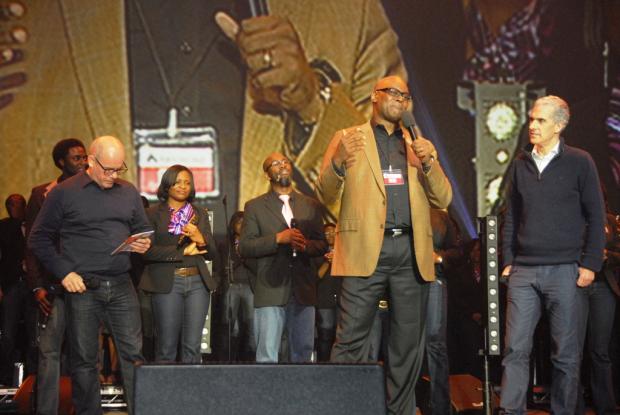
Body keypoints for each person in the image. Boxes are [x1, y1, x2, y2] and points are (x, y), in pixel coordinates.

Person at [315, 75, 453, 415]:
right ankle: (344, 408)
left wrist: (429, 162)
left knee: (407, 345)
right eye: (393, 92)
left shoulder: (417, 145)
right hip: (365, 248)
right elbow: (324, 194)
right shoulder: (348, 137)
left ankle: (399, 411)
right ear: (374, 96)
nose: (400, 99)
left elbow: (443, 198)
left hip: (410, 251)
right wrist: (338, 162)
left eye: (405, 95)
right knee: (350, 339)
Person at [29, 136, 152, 415]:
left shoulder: (128, 191)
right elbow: (38, 238)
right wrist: (64, 272)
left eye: (118, 169)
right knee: (85, 360)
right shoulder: (64, 192)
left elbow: (142, 228)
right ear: (91, 161)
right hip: (82, 286)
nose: (113, 175)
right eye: (107, 169)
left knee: (133, 356)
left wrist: (144, 242)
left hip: (121, 283)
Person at [500, 96, 606, 414]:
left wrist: (590, 264)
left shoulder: (580, 161)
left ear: (559, 125)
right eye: (532, 119)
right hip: (524, 271)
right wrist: (508, 261)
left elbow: (596, 215)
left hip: (565, 270)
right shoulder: (520, 164)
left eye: (541, 120)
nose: (532, 125)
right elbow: (511, 217)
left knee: (566, 355)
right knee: (514, 349)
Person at [240, 152, 327, 363]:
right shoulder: (255, 206)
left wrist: (305, 245)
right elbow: (245, 247)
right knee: (267, 354)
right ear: (267, 174)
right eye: (275, 164)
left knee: (303, 353)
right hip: (270, 288)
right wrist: (278, 239)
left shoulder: (311, 205)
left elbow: (322, 244)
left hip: (303, 288)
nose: (282, 165)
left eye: (285, 162)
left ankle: (301, 386)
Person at [23, 137, 87, 415]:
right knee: (49, 351)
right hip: (54, 284)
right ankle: (47, 411)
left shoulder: (94, 188)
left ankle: (84, 408)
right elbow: (33, 243)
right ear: (61, 162)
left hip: (87, 283)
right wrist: (36, 286)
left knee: (86, 353)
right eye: (76, 158)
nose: (83, 162)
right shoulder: (43, 193)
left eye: (85, 157)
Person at [139, 164, 218, 363]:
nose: (183, 186)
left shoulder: (199, 213)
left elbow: (212, 254)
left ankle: (191, 385)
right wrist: (181, 252)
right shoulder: (152, 214)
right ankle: (165, 385)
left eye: (187, 183)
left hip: (198, 283)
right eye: (178, 182)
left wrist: (200, 239)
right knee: (166, 347)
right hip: (167, 283)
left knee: (192, 348)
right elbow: (146, 251)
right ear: (167, 185)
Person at [424, 208, 462, 415]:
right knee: (403, 344)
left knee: (435, 342)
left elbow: (457, 251)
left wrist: (439, 257)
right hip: (403, 282)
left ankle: (440, 407)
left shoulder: (440, 216)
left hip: (433, 280)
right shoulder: (399, 206)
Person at [219, 211, 256, 361]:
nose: (242, 226)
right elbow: (222, 266)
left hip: (249, 286)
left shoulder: (254, 243)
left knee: (251, 324)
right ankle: (228, 359)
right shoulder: (226, 244)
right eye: (239, 222)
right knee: (230, 326)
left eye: (244, 223)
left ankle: (250, 359)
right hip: (231, 286)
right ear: (233, 225)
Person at [0, 194, 28, 386]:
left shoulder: (33, 224)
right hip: (10, 284)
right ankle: (5, 377)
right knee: (8, 334)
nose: (15, 207)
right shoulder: (2, 227)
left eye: (19, 204)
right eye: (11, 204)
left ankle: (32, 376)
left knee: (33, 335)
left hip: (31, 285)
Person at [315, 222, 341, 362]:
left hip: (342, 300)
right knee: (325, 335)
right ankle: (323, 364)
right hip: (324, 300)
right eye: (326, 233)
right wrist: (327, 261)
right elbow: (316, 277)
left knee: (341, 336)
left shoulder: (345, 252)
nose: (330, 235)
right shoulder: (318, 253)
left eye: (333, 233)